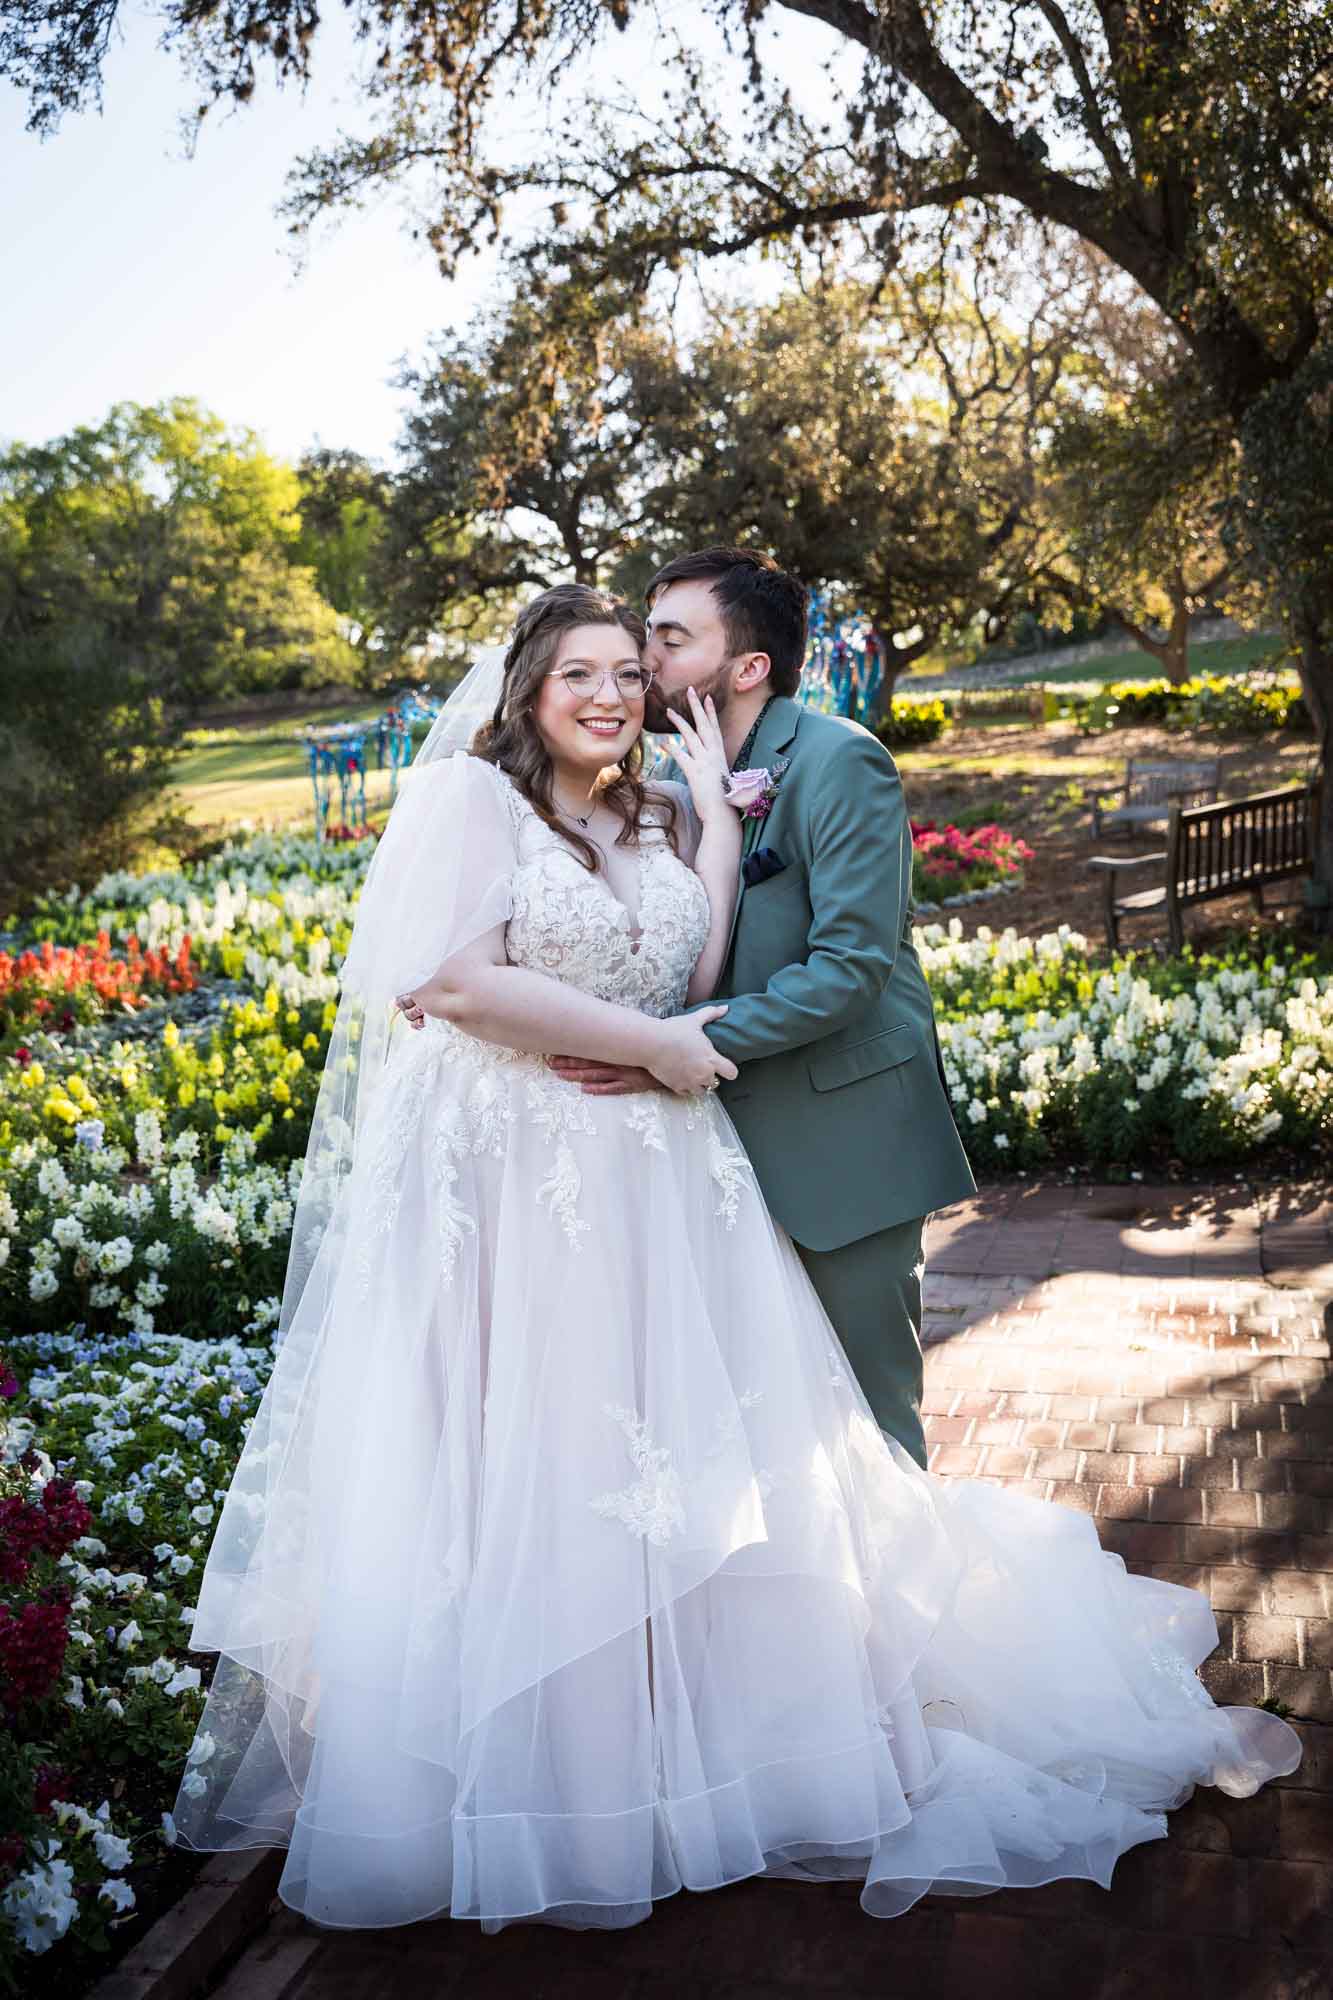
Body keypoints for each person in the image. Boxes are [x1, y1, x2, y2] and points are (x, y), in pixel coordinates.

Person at [170, 582, 1298, 1936]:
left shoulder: (649, 809)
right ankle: (547, 1759)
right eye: (581, 671)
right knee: (531, 1449)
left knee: (676, 1452)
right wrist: (659, 1049)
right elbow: (457, 980)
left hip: (654, 1179)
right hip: (520, 1178)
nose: (611, 691)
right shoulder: (472, 805)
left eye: (626, 673)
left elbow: (685, 963)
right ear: (527, 690)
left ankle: (688, 1728)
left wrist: (708, 826)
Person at [550, 547, 976, 1468]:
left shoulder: (838, 761)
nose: (641, 656)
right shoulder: (668, 782)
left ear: (746, 669)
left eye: (667, 638)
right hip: (703, 1158)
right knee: (750, 1434)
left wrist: (667, 1051)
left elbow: (850, 967)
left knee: (869, 1427)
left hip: (837, 1143)